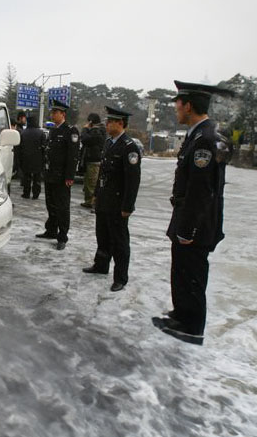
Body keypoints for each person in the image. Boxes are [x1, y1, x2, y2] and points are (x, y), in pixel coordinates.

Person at [152, 81, 233, 345]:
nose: (176, 108)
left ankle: (192, 327)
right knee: (182, 270)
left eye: (178, 103)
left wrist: (188, 229)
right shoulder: (199, 135)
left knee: (193, 274)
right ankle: (182, 316)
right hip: (188, 218)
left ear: (188, 105)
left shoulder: (205, 140)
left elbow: (201, 191)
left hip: (196, 223)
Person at [82, 106, 141, 291]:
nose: (106, 125)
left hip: (118, 203)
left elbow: (133, 181)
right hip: (104, 200)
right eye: (107, 121)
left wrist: (128, 206)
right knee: (103, 236)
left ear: (120, 123)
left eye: (110, 122)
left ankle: (121, 277)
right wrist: (96, 196)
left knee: (120, 242)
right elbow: (102, 173)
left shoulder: (129, 147)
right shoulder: (109, 142)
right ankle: (101, 265)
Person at [35, 100, 79, 250]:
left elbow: (73, 156)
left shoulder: (70, 131)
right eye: (52, 112)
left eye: (55, 112)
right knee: (50, 204)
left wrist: (70, 176)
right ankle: (51, 230)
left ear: (63, 114)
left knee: (62, 207)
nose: (52, 115)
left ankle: (62, 236)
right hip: (50, 174)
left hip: (61, 177)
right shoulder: (53, 130)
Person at [79, 113, 106, 209]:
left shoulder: (97, 130)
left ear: (91, 121)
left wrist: (85, 129)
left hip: (94, 160)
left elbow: (85, 139)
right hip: (91, 159)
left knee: (92, 182)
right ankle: (88, 200)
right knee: (88, 182)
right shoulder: (98, 130)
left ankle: (92, 202)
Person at [17, 113, 45, 200]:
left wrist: (19, 160)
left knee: (26, 177)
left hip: (26, 158)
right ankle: (36, 194)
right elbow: (44, 147)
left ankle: (26, 193)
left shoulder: (23, 133)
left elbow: (19, 148)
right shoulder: (41, 133)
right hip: (38, 159)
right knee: (37, 178)